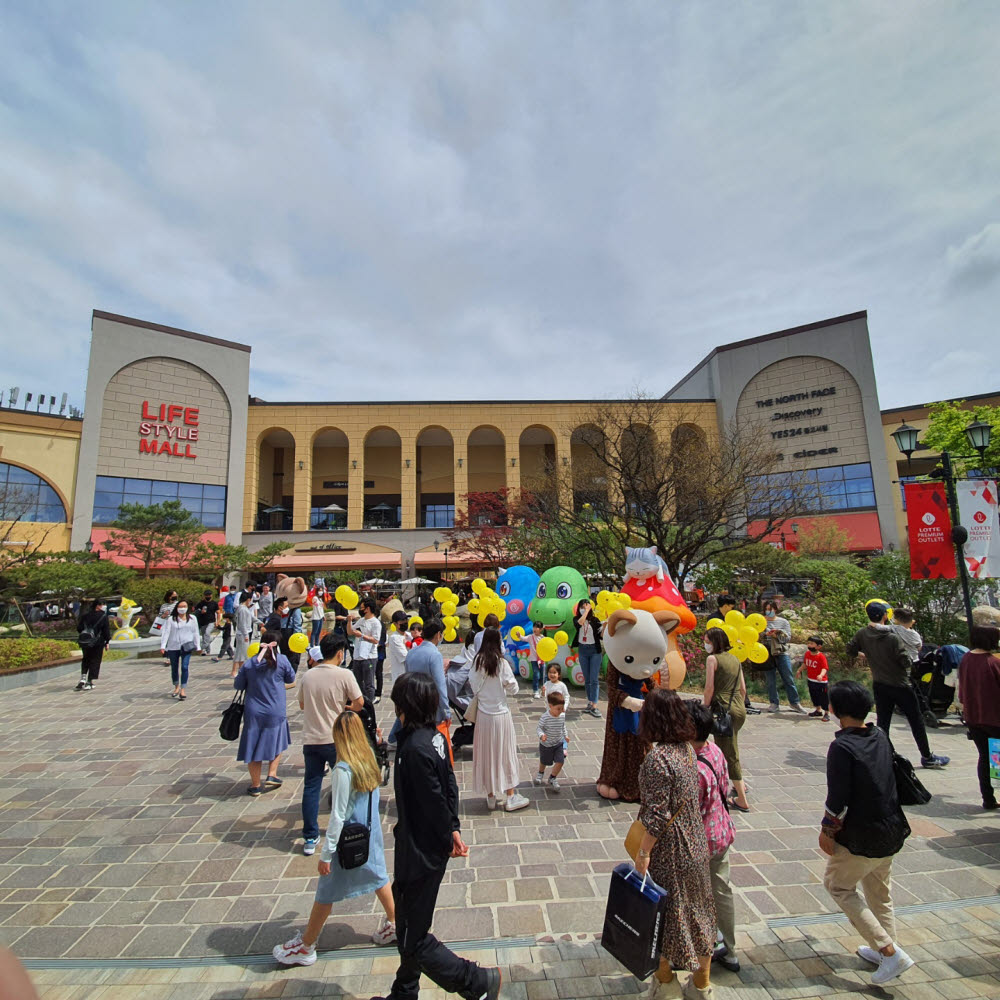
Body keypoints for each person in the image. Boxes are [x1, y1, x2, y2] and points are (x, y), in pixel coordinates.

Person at [372, 672, 501, 1000]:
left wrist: (447, 836)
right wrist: (453, 828)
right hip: (421, 845)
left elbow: (432, 799)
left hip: (420, 851)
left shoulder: (414, 747)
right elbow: (449, 784)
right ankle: (404, 992)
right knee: (407, 925)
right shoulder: (432, 737)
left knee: (412, 938)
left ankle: (476, 981)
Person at [273, 711, 396, 965]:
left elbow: (338, 816)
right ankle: (396, 924)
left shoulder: (343, 769)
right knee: (379, 878)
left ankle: (306, 945)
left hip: (348, 841)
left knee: (326, 891)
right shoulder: (369, 759)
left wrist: (326, 853)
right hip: (369, 836)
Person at [820, 680, 914, 985]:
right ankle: (887, 948)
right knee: (879, 892)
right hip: (891, 828)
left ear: (834, 710)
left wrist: (827, 831)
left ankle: (889, 952)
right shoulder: (880, 735)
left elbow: (837, 798)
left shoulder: (841, 747)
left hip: (861, 836)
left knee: (838, 887)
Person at [634, 689, 716, 1000]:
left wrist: (643, 853)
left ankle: (666, 986)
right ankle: (701, 987)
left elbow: (656, 817)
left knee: (664, 920)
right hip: (695, 842)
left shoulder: (658, 758)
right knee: (700, 916)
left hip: (672, 850)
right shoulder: (685, 749)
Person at [846, 601, 949, 769]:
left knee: (883, 722)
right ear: (885, 616)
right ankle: (927, 756)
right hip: (901, 684)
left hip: (879, 683)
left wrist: (865, 655)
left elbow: (850, 650)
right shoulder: (892, 637)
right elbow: (905, 662)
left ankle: (881, 756)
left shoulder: (862, 633)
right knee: (916, 720)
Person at [686, 701, 739, 975]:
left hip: (700, 842)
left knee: (694, 897)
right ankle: (730, 950)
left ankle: (698, 950)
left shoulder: (693, 769)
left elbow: (686, 812)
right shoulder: (715, 750)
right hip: (722, 832)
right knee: (721, 891)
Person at [298, 635, 365, 854]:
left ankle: (310, 836)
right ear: (339, 653)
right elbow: (359, 702)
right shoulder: (344, 674)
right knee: (345, 783)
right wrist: (345, 708)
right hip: (336, 739)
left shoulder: (308, 676)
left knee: (311, 786)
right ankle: (347, 826)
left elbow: (301, 704)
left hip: (311, 739)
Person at [470, 628, 528, 812]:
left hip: (483, 716)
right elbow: (514, 688)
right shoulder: (501, 663)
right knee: (505, 753)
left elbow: (472, 686)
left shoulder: (477, 661)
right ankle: (510, 795)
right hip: (501, 714)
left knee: (486, 755)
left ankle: (491, 796)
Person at [234, 630, 297, 796]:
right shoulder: (282, 661)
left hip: (254, 709)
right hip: (276, 708)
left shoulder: (250, 663)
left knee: (253, 745)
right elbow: (291, 679)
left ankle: (255, 784)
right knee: (277, 740)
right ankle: (272, 773)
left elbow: (238, 685)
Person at [702, 626, 749, 812]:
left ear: (714, 642)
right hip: (738, 707)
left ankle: (742, 798)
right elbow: (743, 688)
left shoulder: (712, 659)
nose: (705, 645)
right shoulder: (736, 659)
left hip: (722, 709)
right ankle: (739, 784)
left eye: (707, 641)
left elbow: (709, 688)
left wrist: (704, 708)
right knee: (730, 746)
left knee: (729, 753)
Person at [957, 625, 1000, 810]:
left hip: (974, 718)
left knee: (985, 757)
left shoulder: (965, 658)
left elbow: (961, 691)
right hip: (994, 719)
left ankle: (988, 798)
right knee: (996, 758)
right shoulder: (993, 662)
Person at [403, 619, 453, 761]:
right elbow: (440, 685)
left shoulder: (411, 653)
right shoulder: (435, 655)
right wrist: (446, 711)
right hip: (431, 705)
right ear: (438, 634)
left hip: (414, 704)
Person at [762, 600, 806, 714]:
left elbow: (787, 638)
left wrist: (776, 634)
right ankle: (774, 703)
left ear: (775, 609)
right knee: (771, 680)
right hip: (766, 653)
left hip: (781, 652)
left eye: (770, 609)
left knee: (788, 678)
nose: (768, 611)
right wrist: (764, 634)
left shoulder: (783, 622)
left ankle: (795, 702)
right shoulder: (761, 621)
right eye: (766, 609)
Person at [161, 599, 201, 701]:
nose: (182, 608)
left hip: (186, 646)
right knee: (174, 667)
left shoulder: (192, 618)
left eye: (184, 606)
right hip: (173, 646)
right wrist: (163, 646)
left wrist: (198, 646)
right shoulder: (171, 619)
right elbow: (166, 632)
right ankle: (176, 686)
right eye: (180, 606)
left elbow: (195, 632)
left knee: (184, 666)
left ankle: (183, 689)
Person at [574, 598, 604, 718]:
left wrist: (605, 627)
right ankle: (589, 702)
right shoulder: (576, 619)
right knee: (587, 679)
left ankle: (594, 705)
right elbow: (580, 623)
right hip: (583, 650)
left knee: (594, 679)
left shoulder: (595, 620)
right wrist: (586, 611)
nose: (584, 608)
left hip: (594, 651)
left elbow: (600, 636)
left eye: (586, 606)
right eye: (582, 606)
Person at [347, 597, 381, 702]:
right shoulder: (361, 620)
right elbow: (350, 632)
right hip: (358, 655)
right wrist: (349, 621)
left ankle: (369, 703)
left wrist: (362, 635)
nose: (361, 610)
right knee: (357, 682)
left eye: (362, 608)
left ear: (368, 609)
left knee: (369, 683)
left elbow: (376, 640)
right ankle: (360, 703)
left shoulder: (375, 623)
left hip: (369, 656)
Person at [74, 598, 112, 691]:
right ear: (98, 605)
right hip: (97, 642)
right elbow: (106, 631)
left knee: (86, 659)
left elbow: (79, 628)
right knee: (95, 660)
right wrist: (107, 641)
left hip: (85, 641)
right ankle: (89, 682)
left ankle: (83, 678)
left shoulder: (85, 615)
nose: (103, 606)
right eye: (102, 604)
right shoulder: (103, 616)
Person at [533, 691, 568, 790]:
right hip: (546, 745)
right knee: (544, 761)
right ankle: (540, 773)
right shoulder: (545, 717)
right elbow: (539, 728)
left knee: (560, 761)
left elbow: (563, 726)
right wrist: (542, 735)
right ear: (550, 706)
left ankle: (552, 777)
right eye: (558, 709)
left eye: (562, 708)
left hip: (558, 743)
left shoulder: (562, 715)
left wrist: (566, 736)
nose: (561, 711)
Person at [796, 635, 830, 720]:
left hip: (821, 682)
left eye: (812, 644)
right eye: (808, 643)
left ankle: (827, 713)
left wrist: (821, 675)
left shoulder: (821, 656)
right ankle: (818, 710)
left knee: (824, 697)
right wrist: (799, 670)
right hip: (811, 680)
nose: (809, 645)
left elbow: (824, 668)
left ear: (818, 646)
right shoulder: (807, 654)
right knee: (814, 696)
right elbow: (805, 664)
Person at [232, 590, 255, 679]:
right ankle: (236, 671)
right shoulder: (242, 609)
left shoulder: (245, 608)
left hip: (244, 633)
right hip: (242, 634)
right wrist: (246, 635)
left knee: (241, 654)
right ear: (248, 599)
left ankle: (240, 671)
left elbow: (252, 618)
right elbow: (242, 624)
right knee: (241, 653)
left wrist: (260, 623)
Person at [194, 590, 218, 657]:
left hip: (211, 621)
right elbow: (195, 610)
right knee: (205, 636)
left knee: (207, 633)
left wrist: (217, 622)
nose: (208, 596)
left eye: (209, 595)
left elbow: (218, 612)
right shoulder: (201, 603)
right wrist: (201, 611)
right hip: (203, 622)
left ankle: (203, 648)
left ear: (211, 595)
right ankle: (208, 651)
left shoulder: (214, 603)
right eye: (206, 595)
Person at [525, 620, 544, 699]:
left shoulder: (543, 638)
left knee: (543, 675)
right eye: (534, 627)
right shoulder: (530, 637)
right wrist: (519, 635)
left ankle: (544, 690)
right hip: (534, 659)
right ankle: (535, 690)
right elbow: (523, 638)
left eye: (537, 627)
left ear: (541, 629)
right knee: (536, 674)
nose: (535, 629)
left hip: (542, 659)